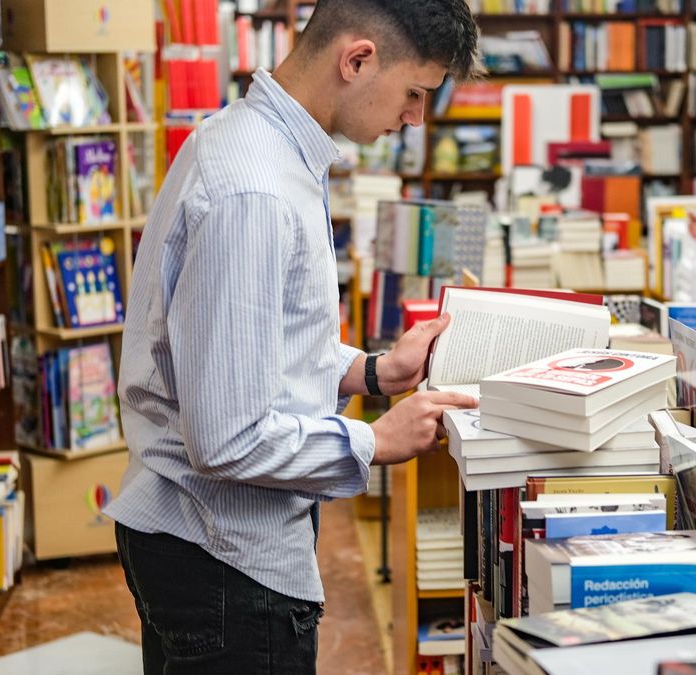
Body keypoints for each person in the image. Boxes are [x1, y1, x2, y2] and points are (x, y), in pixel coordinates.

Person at [104, 1, 481, 672]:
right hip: (222, 554)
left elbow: (251, 346)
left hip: (204, 542)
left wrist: (371, 371)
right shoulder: (256, 190)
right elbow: (227, 435)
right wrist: (376, 440)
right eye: (415, 92)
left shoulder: (257, 145)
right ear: (357, 59)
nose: (416, 117)